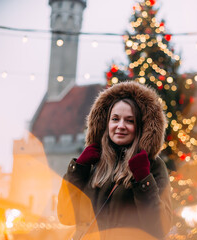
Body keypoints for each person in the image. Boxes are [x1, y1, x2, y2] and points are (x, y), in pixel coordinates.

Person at [57, 81, 172, 240]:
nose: (121, 126)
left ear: (140, 126)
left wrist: (143, 179)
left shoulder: (153, 166)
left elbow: (160, 228)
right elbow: (66, 215)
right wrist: (79, 169)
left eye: (130, 121)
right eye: (115, 119)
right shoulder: (94, 164)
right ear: (106, 123)